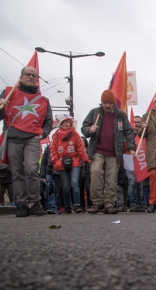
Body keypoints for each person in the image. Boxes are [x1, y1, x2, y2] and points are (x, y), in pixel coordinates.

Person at [0, 66, 53, 217]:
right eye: (27, 74)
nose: (31, 77)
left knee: (31, 168)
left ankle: (35, 202)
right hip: (13, 139)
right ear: (21, 77)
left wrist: (42, 134)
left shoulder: (43, 100)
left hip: (32, 138)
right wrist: (1, 105)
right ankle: (22, 204)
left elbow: (48, 122)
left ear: (37, 79)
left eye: (34, 75)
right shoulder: (8, 94)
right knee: (16, 172)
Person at [82, 90, 136, 214]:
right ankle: (96, 203)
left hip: (114, 152)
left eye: (109, 103)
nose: (107, 106)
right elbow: (84, 127)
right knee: (96, 173)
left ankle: (109, 204)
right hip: (98, 150)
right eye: (105, 103)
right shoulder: (94, 113)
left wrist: (131, 148)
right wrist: (89, 129)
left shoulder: (121, 115)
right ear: (101, 103)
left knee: (111, 179)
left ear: (113, 103)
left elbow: (128, 131)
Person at [50, 115, 90, 214]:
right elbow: (53, 149)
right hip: (61, 163)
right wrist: (56, 161)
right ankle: (67, 206)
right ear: (61, 124)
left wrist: (86, 160)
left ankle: (77, 205)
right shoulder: (56, 135)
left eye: (68, 122)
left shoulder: (75, 135)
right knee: (66, 186)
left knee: (74, 183)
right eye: (64, 122)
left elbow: (80, 149)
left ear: (71, 124)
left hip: (74, 162)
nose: (66, 124)